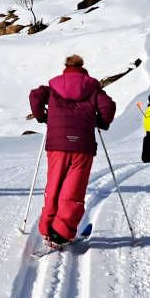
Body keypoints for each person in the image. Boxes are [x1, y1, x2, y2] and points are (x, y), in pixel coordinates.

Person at [29, 54, 116, 246]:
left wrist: (42, 116)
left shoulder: (53, 87)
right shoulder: (92, 88)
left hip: (57, 144)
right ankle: (61, 232)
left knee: (55, 184)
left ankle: (48, 228)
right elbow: (108, 107)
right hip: (82, 145)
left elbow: (35, 96)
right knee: (73, 188)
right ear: (83, 69)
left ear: (66, 68)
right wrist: (101, 121)